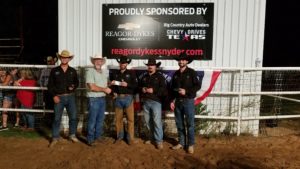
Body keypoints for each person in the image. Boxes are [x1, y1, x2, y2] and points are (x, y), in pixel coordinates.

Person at [170, 53, 201, 154]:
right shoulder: (175, 74)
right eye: (179, 60)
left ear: (187, 61)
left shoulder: (192, 72)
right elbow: (172, 88)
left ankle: (190, 144)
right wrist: (172, 99)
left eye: (183, 60)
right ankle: (181, 143)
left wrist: (186, 91)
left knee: (190, 124)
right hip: (178, 101)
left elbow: (197, 86)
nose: (181, 62)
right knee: (179, 123)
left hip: (188, 101)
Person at [47, 50, 79, 147]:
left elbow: (77, 82)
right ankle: (55, 137)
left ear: (69, 59)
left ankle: (72, 135)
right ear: (60, 58)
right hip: (59, 98)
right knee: (57, 119)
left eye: (66, 57)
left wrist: (74, 86)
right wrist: (54, 96)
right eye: (63, 57)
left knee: (73, 117)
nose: (64, 59)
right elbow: (50, 85)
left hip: (70, 97)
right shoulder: (54, 70)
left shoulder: (73, 71)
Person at [139, 58, 167, 150]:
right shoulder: (144, 77)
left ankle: (159, 141)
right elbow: (139, 87)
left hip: (156, 102)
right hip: (146, 101)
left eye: (152, 65)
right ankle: (151, 138)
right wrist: (142, 89)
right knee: (148, 122)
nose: (150, 66)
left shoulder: (160, 77)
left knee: (156, 121)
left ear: (155, 66)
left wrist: (154, 90)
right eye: (149, 65)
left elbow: (164, 90)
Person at [110, 57, 138, 145]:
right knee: (118, 119)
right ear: (119, 64)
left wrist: (127, 84)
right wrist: (113, 91)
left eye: (124, 63)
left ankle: (130, 138)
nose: (123, 64)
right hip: (118, 98)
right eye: (121, 63)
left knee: (130, 119)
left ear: (127, 64)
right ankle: (119, 137)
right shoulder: (115, 74)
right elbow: (112, 86)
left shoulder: (131, 74)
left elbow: (136, 86)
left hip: (128, 98)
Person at [85, 54, 112, 146]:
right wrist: (105, 89)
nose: (98, 62)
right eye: (96, 60)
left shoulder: (104, 72)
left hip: (102, 98)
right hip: (94, 99)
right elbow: (92, 87)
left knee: (100, 119)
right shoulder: (90, 71)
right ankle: (90, 139)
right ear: (93, 62)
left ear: (102, 62)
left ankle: (98, 136)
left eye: (100, 60)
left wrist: (109, 84)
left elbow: (104, 84)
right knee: (92, 120)